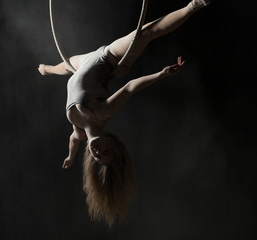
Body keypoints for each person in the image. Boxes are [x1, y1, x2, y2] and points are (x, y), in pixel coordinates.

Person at [38, 0, 211, 228]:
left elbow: (73, 140)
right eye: (107, 151)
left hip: (83, 65)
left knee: (68, 64)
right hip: (107, 60)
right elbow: (129, 87)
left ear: (91, 158)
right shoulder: (102, 113)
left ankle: (48, 69)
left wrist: (70, 157)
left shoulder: (79, 132)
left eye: (98, 155)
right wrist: (161, 75)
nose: (100, 151)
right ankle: (194, 5)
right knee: (147, 32)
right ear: (113, 143)